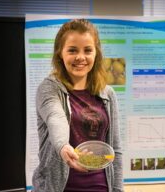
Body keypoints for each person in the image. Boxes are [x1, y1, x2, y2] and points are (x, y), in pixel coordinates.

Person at [32, 19, 124, 192]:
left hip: (101, 187)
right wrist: (63, 147)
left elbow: (115, 150)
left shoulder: (108, 93)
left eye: (88, 50)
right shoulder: (49, 88)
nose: (80, 57)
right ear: (60, 53)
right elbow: (55, 117)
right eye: (72, 50)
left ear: (96, 53)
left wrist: (118, 189)